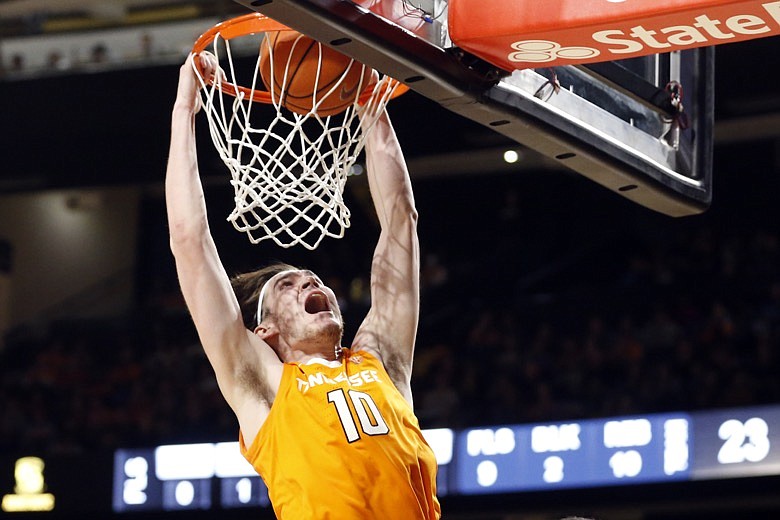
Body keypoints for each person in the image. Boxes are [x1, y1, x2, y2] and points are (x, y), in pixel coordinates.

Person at [165, 52, 440, 519]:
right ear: (265, 331)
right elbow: (190, 243)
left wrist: (371, 106)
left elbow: (401, 224)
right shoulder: (264, 387)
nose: (309, 280)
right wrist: (183, 108)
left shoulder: (381, 362)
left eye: (310, 278)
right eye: (287, 285)